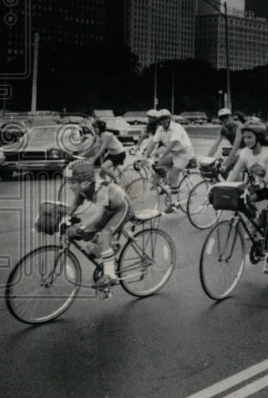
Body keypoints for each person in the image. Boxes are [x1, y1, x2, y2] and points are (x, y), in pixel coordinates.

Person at [227, 120, 268, 274]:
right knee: (243, 202)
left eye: (249, 137)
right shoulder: (244, 153)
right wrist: (223, 185)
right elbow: (234, 172)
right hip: (260, 185)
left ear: (259, 137)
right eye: (244, 137)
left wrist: (262, 183)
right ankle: (257, 229)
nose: (246, 140)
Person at [63, 160, 134, 289]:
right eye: (69, 182)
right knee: (86, 235)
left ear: (85, 182)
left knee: (103, 237)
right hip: (108, 209)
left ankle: (110, 275)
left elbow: (100, 214)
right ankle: (108, 250)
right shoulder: (82, 190)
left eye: (72, 182)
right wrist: (64, 218)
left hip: (121, 209)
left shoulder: (101, 188)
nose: (70, 186)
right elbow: (74, 206)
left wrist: (81, 227)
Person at [146, 109, 196, 213]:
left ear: (169, 118)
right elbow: (154, 142)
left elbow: (172, 143)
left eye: (166, 118)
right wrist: (145, 156)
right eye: (161, 119)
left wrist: (161, 155)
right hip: (173, 153)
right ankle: (168, 185)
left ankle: (174, 203)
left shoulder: (176, 127)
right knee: (156, 165)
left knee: (173, 175)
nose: (163, 121)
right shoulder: (160, 129)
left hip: (184, 153)